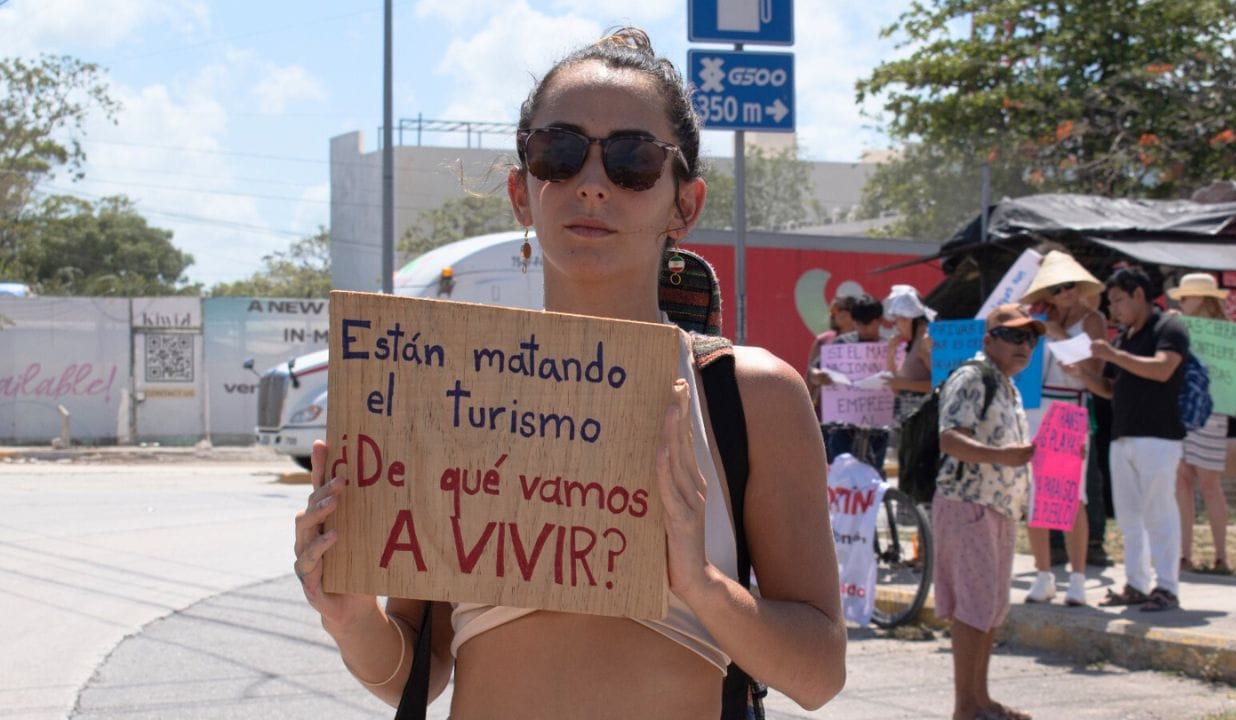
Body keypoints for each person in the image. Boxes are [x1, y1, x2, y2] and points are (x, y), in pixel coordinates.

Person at [292, 28, 846, 719]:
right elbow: (420, 669)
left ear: (686, 203)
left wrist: (700, 585)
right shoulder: (443, 384)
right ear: (523, 193)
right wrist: (348, 618)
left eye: (633, 160)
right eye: (559, 153)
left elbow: (820, 674)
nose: (591, 184)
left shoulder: (749, 395)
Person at [935, 303, 1040, 720]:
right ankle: (966, 706)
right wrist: (1003, 456)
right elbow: (950, 439)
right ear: (988, 340)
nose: (1025, 345)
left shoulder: (1006, 383)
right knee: (974, 608)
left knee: (991, 608)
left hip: (996, 508)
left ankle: (981, 699)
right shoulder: (972, 376)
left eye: (1031, 337)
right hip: (969, 504)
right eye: (1014, 336)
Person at [1065, 266, 1187, 612]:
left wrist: (1114, 356)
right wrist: (1083, 375)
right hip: (1123, 436)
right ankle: (1136, 582)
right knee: (1131, 517)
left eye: (1118, 301)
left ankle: (1166, 586)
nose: (1113, 310)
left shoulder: (1168, 327)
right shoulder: (1123, 338)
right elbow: (1110, 389)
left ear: (1139, 295)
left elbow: (1163, 368)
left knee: (1159, 512)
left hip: (1158, 436)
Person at [1018, 250, 1106, 606]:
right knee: (1036, 495)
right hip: (1035, 406)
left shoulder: (1092, 319)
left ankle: (1078, 577)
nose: (1064, 293)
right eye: (1055, 288)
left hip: (1070, 406)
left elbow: (1093, 369)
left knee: (1072, 497)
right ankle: (1043, 574)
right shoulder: (1037, 318)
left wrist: (1056, 334)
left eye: (1069, 286)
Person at [1167, 273, 1235, 573]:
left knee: (1208, 482)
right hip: (1181, 408)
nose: (1181, 302)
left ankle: (1221, 555)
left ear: (1202, 299)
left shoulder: (1226, 332)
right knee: (1181, 479)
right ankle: (1184, 554)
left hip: (1211, 411)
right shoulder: (1178, 328)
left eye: (1187, 296)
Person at [809, 293, 892, 469]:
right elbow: (813, 372)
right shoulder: (840, 345)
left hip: (878, 426)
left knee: (873, 476)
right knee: (840, 477)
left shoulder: (889, 349)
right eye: (859, 323)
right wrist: (819, 376)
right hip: (842, 427)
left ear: (879, 321)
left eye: (869, 323)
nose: (864, 328)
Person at [884, 284, 936, 423]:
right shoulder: (913, 344)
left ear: (909, 318)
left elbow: (942, 385)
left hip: (922, 424)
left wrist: (906, 384)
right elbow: (896, 387)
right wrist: (890, 353)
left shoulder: (925, 343)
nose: (896, 326)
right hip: (907, 423)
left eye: (898, 320)